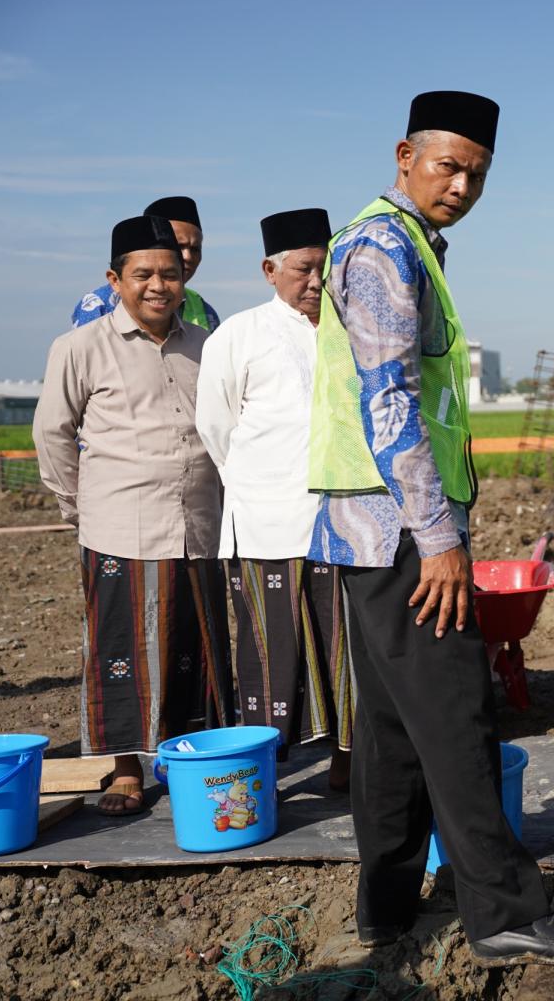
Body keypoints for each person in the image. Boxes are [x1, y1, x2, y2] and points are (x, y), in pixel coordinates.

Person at [307, 90, 554, 967]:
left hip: (371, 528)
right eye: (448, 166)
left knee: (396, 728)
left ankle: (387, 904)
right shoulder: (380, 248)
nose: (462, 185)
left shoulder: (403, 245)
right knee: (456, 716)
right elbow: (391, 399)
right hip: (401, 528)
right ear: (404, 154)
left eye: (477, 173)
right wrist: (439, 536)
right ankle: (505, 911)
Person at [34, 215, 233, 815]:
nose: (158, 285)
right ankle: (125, 770)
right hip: (119, 526)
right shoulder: (80, 348)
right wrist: (82, 507)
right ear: (114, 279)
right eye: (143, 274)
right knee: (122, 651)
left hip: (198, 524)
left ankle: (190, 758)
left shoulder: (206, 346)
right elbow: (52, 435)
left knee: (195, 651)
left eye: (169, 274)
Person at [195, 207, 352, 791]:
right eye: (305, 269)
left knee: (345, 651)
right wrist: (259, 483)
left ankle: (347, 763)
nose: (316, 282)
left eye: (325, 268)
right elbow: (215, 427)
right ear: (270, 269)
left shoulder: (349, 329)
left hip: (340, 521)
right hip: (265, 521)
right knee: (268, 655)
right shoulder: (238, 334)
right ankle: (262, 782)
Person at [70, 197, 220, 332]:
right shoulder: (98, 304)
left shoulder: (203, 310)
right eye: (178, 246)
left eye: (195, 249)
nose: (187, 257)